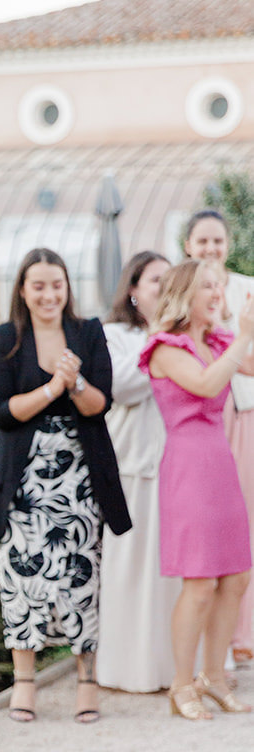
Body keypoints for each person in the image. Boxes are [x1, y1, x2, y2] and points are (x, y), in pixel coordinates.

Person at [0, 248, 131, 724]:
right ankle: (25, 683)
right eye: (38, 285)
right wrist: (51, 389)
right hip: (21, 484)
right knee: (20, 579)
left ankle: (86, 679)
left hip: (79, 480)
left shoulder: (88, 332)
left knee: (82, 574)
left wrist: (74, 382)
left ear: (67, 287)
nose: (48, 294)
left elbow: (100, 404)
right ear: (23, 289)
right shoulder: (7, 338)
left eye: (56, 284)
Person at [139, 259, 254, 719]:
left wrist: (243, 334)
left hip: (220, 464)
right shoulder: (164, 347)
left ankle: (215, 678)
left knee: (236, 577)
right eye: (207, 285)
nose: (216, 292)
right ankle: (180, 684)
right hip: (188, 465)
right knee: (201, 581)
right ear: (185, 294)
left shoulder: (220, 342)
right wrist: (243, 335)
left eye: (219, 285)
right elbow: (207, 385)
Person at [98, 252, 178, 693]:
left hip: (177, 466)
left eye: (170, 282)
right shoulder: (114, 336)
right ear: (133, 288)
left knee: (172, 573)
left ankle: (174, 667)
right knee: (131, 573)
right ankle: (128, 670)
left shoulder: (182, 338)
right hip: (132, 467)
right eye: (155, 281)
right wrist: (160, 335)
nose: (164, 289)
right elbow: (122, 386)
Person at [181, 209, 254, 662]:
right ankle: (217, 645)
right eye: (202, 241)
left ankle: (243, 634)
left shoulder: (247, 288)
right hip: (207, 419)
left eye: (218, 241)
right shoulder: (185, 294)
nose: (210, 248)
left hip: (245, 409)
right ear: (188, 245)